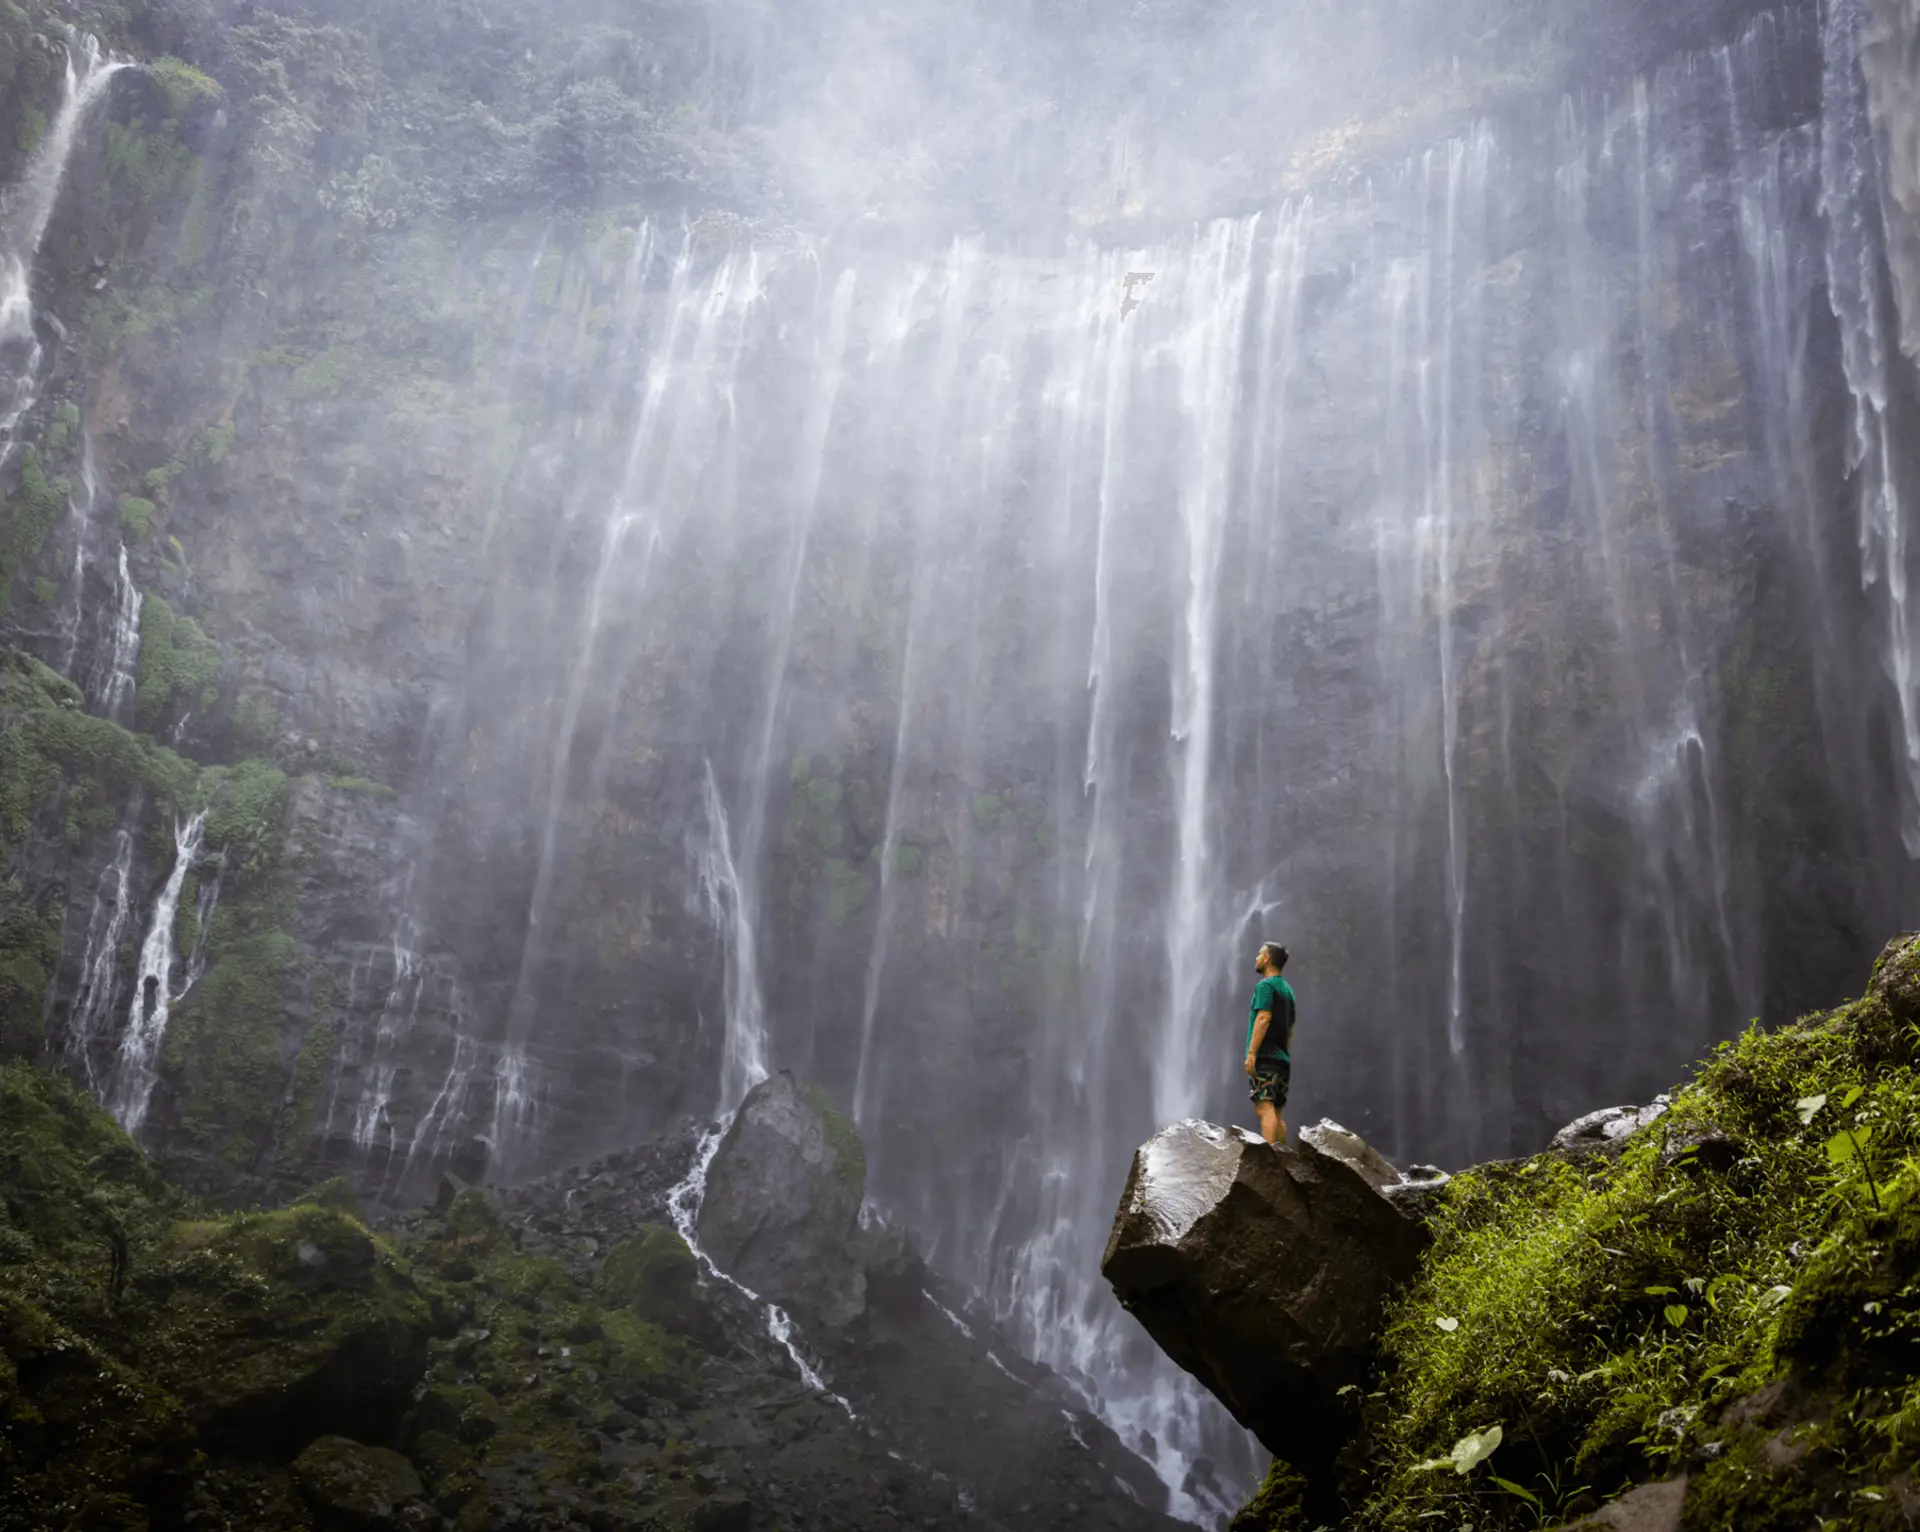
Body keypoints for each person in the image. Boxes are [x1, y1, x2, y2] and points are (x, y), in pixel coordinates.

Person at [1243, 941, 1296, 1146]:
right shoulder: (1288, 991)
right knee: (1277, 1111)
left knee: (1264, 1107)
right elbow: (1290, 1029)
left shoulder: (1265, 986)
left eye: (1259, 954)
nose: (1256, 958)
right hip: (1282, 1059)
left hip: (1266, 1057)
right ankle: (1284, 1160)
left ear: (1267, 959)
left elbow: (1263, 1017)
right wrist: (1282, 1052)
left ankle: (1271, 1159)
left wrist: (1252, 1053)